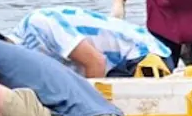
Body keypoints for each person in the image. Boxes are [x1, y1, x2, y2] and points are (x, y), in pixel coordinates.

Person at [10, 7, 172, 77]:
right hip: (115, 67)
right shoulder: (20, 62)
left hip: (143, 57)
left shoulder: (37, 24)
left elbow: (96, 62)